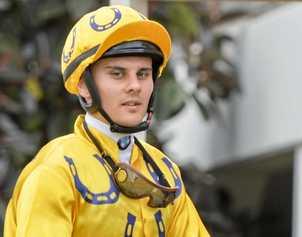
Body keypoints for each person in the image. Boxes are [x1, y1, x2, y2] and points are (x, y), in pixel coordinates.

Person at [4, 5, 210, 237]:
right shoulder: (56, 170)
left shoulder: (165, 172)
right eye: (118, 73)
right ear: (83, 84)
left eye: (143, 73)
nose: (135, 86)